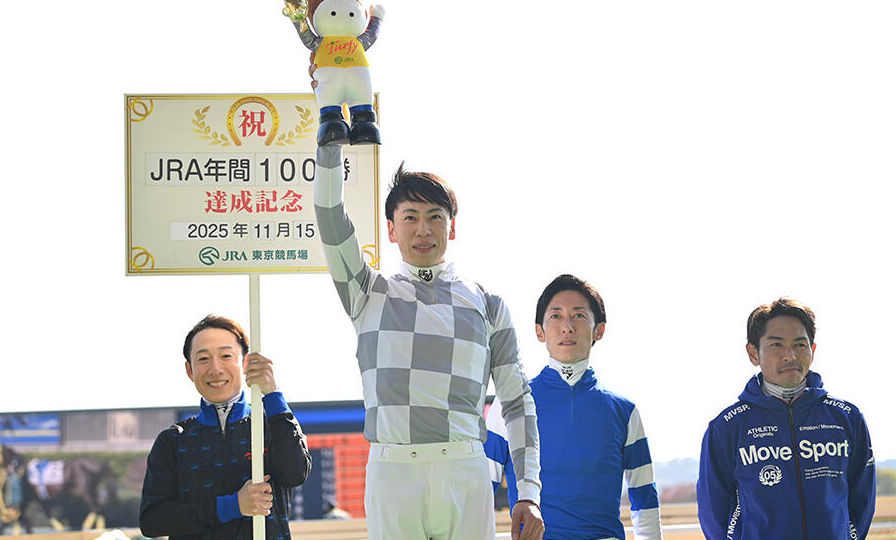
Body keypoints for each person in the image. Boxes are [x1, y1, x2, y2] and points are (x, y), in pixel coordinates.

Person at [314, 144, 544, 540]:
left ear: (451, 227)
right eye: (410, 217)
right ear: (391, 228)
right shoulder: (367, 292)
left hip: (465, 470)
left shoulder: (488, 304)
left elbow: (517, 401)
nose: (423, 229)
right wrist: (329, 145)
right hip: (393, 472)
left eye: (435, 217)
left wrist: (529, 491)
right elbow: (330, 215)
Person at [485, 274, 662, 540]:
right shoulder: (510, 403)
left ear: (599, 329)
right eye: (555, 316)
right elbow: (482, 490)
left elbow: (644, 498)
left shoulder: (624, 411)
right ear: (539, 331)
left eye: (579, 315)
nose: (566, 326)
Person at [697, 298, 876, 540]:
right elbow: (713, 514)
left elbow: (862, 502)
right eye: (776, 345)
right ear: (753, 353)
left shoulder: (847, 418)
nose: (789, 355)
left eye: (800, 345)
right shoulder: (727, 427)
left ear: (812, 352)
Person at [140, 315, 311, 539]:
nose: (215, 369)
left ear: (245, 363)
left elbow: (295, 474)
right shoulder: (172, 440)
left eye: (226, 356)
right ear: (189, 370)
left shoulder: (273, 425)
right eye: (203, 359)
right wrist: (233, 506)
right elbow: (153, 521)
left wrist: (273, 394)